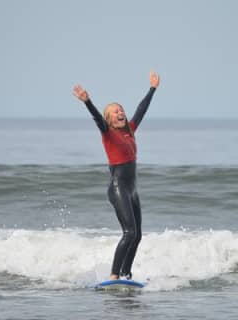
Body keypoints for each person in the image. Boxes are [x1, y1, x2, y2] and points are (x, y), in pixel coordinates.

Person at [73, 71, 160, 280]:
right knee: (129, 233)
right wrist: (88, 102)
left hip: (132, 191)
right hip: (118, 187)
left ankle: (126, 274)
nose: (119, 112)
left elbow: (141, 109)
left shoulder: (130, 130)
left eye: (120, 110)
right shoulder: (107, 133)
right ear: (109, 119)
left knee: (137, 236)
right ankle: (113, 276)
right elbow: (96, 119)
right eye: (114, 112)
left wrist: (152, 89)